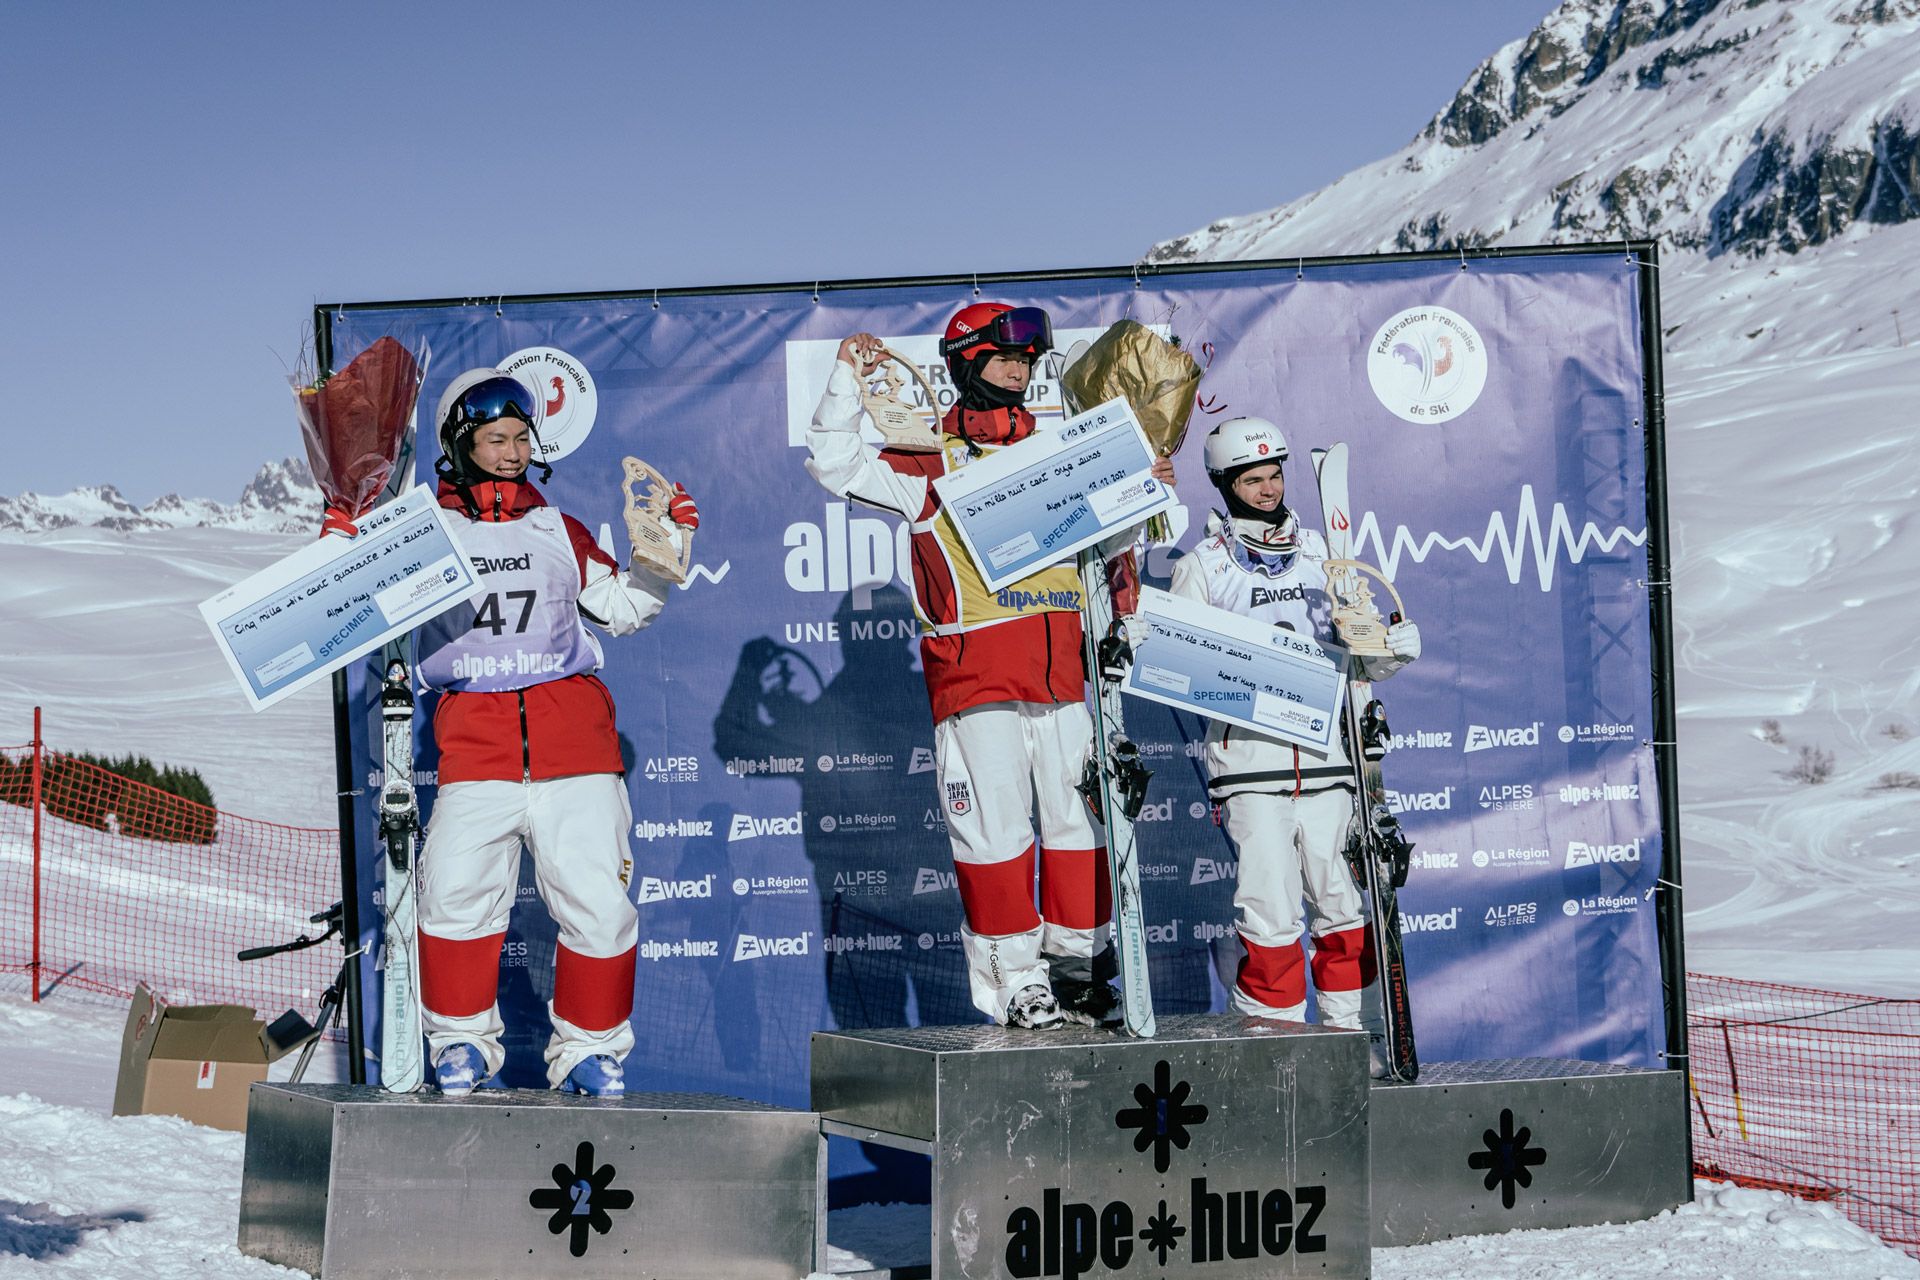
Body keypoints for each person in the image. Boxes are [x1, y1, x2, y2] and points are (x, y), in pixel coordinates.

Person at [806, 303, 1174, 1029]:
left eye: (1031, 359)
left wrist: (1143, 487)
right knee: (997, 838)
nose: (1021, 367)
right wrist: (847, 377)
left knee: (1080, 830)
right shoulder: (928, 462)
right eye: (1006, 355)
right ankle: (1015, 981)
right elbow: (833, 460)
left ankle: (1081, 965)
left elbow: (1106, 550)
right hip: (978, 677)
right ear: (966, 360)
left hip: (1069, 675)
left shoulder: (1059, 453)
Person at [410, 366, 698, 1096]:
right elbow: (348, 609)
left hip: (576, 750)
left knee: (600, 907)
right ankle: (461, 1044)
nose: (510, 452)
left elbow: (626, 608)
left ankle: (591, 1051)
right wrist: (343, 542)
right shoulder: (425, 532)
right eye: (494, 439)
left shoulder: (558, 529)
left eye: (519, 438)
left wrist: (662, 557)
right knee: (454, 897)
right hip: (477, 750)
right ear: (459, 445)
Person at [1167, 416, 1420, 1065]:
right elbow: (1179, 665)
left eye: (1275, 474)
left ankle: (1345, 1042)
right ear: (1226, 484)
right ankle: (1275, 1051)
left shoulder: (1324, 554)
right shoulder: (1204, 565)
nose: (1268, 488)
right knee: (1270, 911)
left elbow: (1360, 658)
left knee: (1341, 905)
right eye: (1253, 479)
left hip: (1331, 764)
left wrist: (1387, 652)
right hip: (1251, 766)